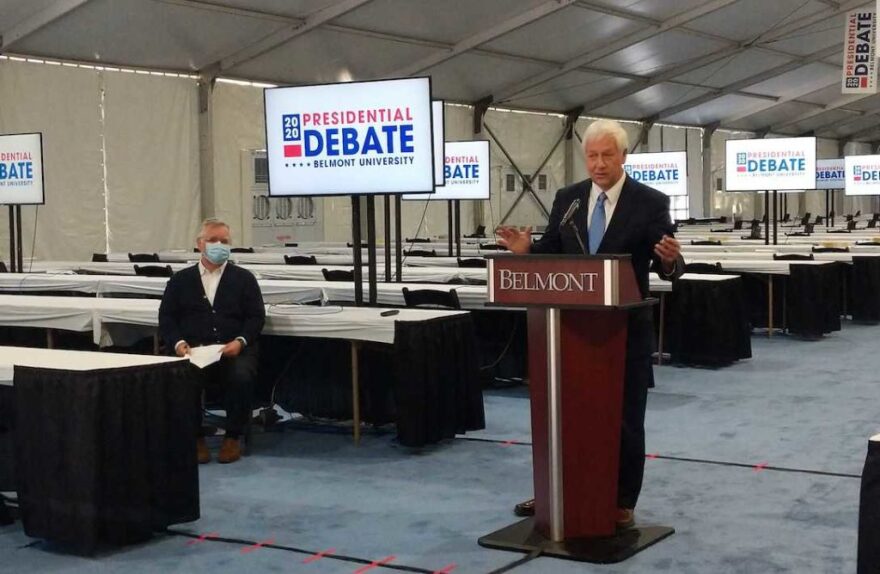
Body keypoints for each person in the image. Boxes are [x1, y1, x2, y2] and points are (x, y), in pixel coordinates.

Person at [497, 119, 684, 529]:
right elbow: (552, 253)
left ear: (623, 156)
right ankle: (559, 491)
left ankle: (621, 500)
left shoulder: (650, 201)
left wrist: (671, 261)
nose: (598, 164)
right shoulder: (569, 198)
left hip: (624, 333)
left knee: (624, 421)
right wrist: (527, 250)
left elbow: (667, 263)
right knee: (565, 414)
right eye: (592, 156)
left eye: (607, 155)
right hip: (567, 331)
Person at [159, 219, 265, 464]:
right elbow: (167, 317)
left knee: (241, 376)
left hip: (235, 348)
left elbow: (256, 316)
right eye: (213, 240)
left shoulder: (244, 279)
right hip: (194, 351)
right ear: (199, 244)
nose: (219, 245)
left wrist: (240, 341)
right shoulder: (180, 280)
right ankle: (195, 437)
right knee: (184, 379)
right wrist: (179, 344)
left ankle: (233, 436)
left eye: (224, 241)